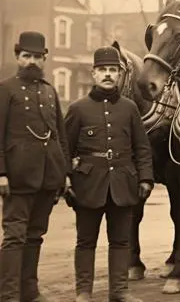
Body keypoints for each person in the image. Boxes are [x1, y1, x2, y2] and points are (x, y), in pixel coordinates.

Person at [64, 46, 154, 302]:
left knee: (120, 242)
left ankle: (119, 291)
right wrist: (67, 179)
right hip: (88, 185)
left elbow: (142, 147)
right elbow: (65, 149)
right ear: (93, 74)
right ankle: (84, 292)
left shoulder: (129, 109)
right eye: (102, 70)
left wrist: (146, 178)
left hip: (123, 184)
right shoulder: (78, 108)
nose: (107, 75)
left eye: (112, 70)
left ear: (120, 74)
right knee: (85, 242)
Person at [0, 31, 71, 302]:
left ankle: (29, 291)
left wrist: (64, 172)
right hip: (17, 177)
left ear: (44, 60)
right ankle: (8, 295)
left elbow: (60, 135)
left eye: (37, 57)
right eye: (26, 56)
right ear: (17, 57)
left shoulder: (50, 91)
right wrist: (2, 173)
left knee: (35, 235)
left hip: (48, 175)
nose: (32, 61)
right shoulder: (5, 89)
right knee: (14, 237)